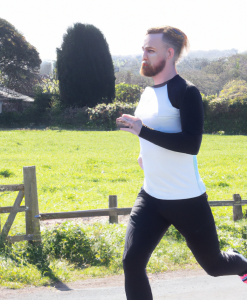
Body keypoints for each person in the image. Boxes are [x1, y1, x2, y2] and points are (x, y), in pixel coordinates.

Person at [116, 26, 247, 300]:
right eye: (143, 49)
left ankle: (242, 264)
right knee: (132, 262)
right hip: (151, 195)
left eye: (150, 50)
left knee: (215, 266)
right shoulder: (147, 94)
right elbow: (152, 135)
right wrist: (145, 153)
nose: (144, 55)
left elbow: (191, 144)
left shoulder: (186, 92)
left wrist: (143, 132)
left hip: (186, 199)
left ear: (169, 53)